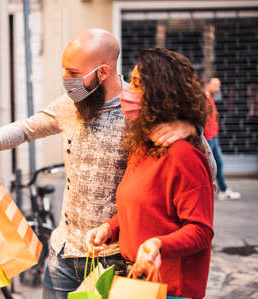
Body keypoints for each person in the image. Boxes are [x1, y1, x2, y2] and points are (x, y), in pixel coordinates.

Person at [0, 29, 203, 298]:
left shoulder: (141, 109)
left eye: (73, 73)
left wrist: (191, 128)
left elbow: (197, 169)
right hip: (64, 252)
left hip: (117, 259)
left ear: (102, 72)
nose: (66, 80)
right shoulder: (70, 106)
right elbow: (25, 129)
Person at [87, 48, 214, 299]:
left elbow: (201, 230)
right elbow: (143, 209)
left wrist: (159, 244)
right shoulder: (143, 146)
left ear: (159, 93)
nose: (127, 91)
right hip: (139, 282)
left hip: (172, 289)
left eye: (136, 83)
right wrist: (109, 228)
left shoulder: (183, 155)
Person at [204, 77, 240, 200]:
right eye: (215, 85)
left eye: (219, 86)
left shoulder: (209, 98)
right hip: (208, 137)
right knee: (211, 165)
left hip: (213, 136)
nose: (217, 89)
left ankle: (222, 190)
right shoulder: (204, 99)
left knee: (217, 164)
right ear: (208, 84)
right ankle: (218, 190)